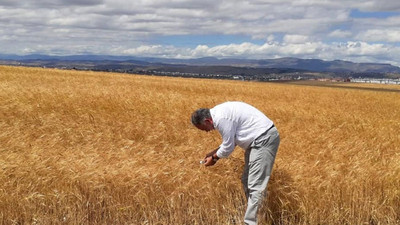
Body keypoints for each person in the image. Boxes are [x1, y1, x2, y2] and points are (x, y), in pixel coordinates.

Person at [191, 101, 280, 225]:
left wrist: (214, 158)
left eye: (203, 129)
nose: (206, 132)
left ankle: (250, 222)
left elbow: (228, 147)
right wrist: (213, 152)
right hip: (256, 141)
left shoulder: (221, 119)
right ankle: (255, 214)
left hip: (263, 140)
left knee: (255, 185)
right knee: (246, 180)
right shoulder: (219, 114)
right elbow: (231, 140)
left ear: (207, 121)